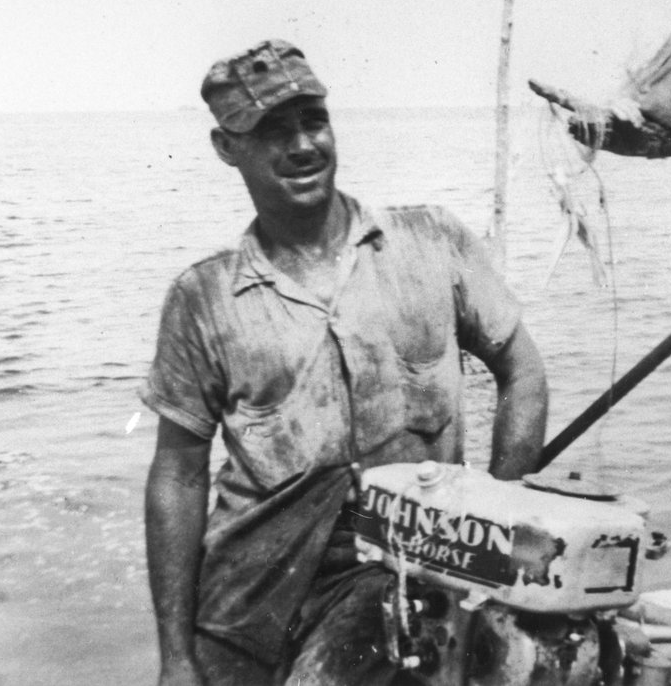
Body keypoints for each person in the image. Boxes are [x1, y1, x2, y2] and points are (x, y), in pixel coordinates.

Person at [142, 39, 549, 686]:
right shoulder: (203, 297)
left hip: (396, 576)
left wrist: (491, 525)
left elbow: (522, 370)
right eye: (273, 131)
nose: (303, 145)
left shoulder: (433, 242)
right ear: (227, 148)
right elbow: (178, 473)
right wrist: (176, 656)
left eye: (314, 121)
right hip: (244, 601)